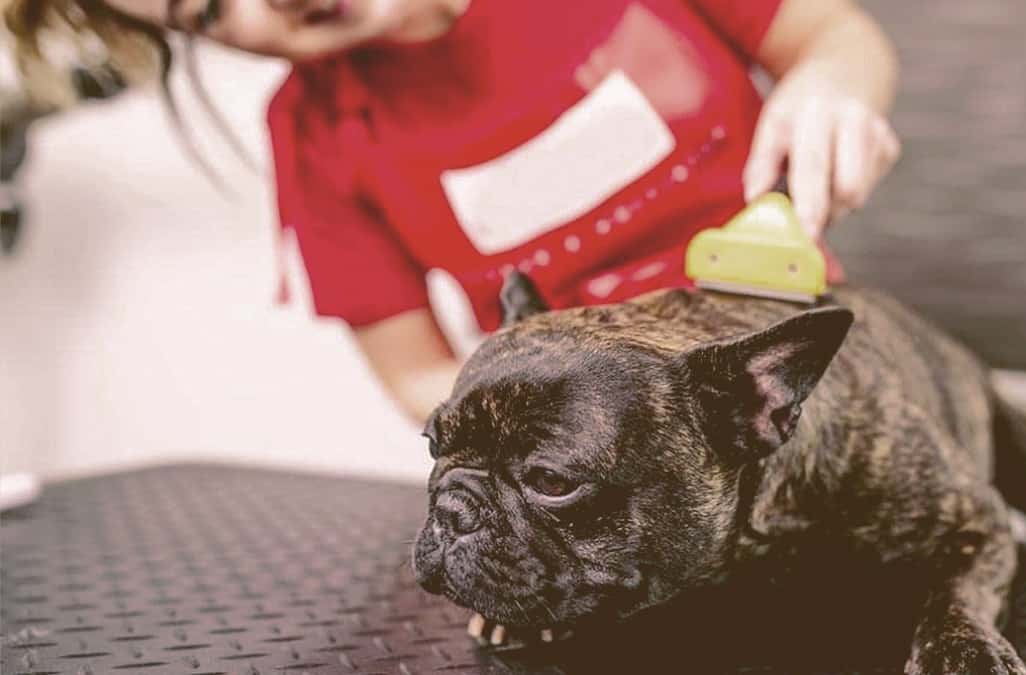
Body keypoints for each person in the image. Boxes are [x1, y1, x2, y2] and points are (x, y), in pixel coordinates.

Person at [7, 0, 900, 423]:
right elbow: (413, 376)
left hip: (795, 377)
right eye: (208, 7)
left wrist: (834, 84)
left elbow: (835, 36)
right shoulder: (315, 135)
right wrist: (563, 418)